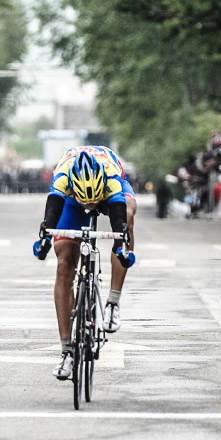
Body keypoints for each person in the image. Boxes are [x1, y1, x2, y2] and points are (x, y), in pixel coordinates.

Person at [32, 146, 137, 380]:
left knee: (127, 217)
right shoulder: (63, 176)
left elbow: (118, 219)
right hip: (71, 199)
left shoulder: (110, 177)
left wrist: (122, 246)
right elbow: (51, 215)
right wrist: (44, 239)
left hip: (109, 194)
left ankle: (113, 303)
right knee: (64, 263)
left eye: (92, 202)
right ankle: (66, 351)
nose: (89, 206)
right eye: (86, 201)